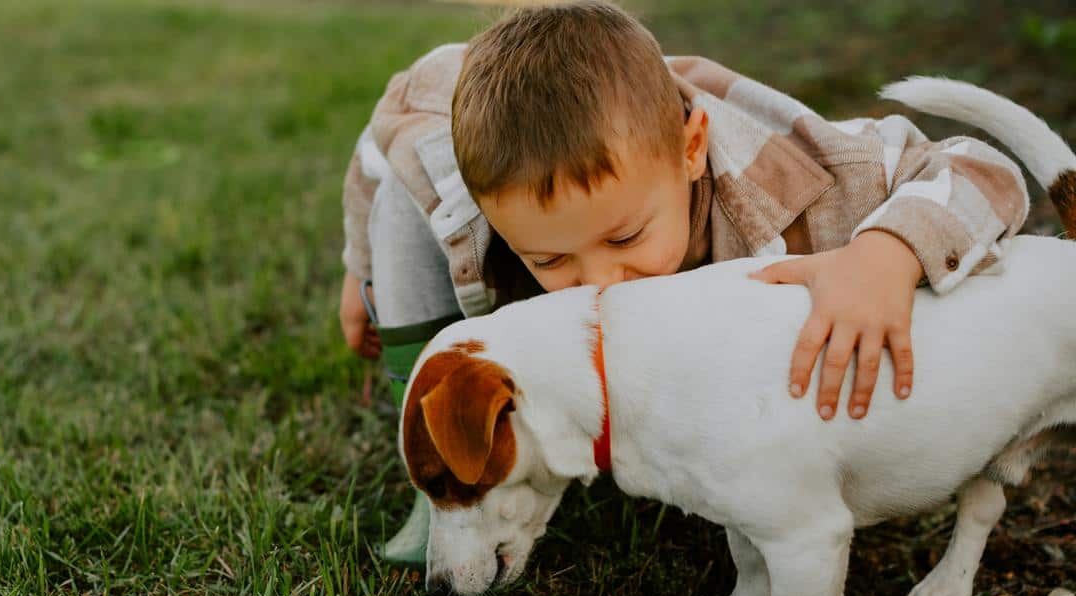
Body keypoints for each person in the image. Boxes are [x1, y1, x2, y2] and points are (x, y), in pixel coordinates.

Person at [338, 1, 1028, 565]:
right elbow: (395, 125)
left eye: (626, 238)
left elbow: (981, 170)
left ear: (691, 148)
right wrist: (360, 268)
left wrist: (884, 253)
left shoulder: (813, 186)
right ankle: (447, 457)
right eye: (551, 261)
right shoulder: (481, 178)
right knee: (412, 192)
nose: (596, 286)